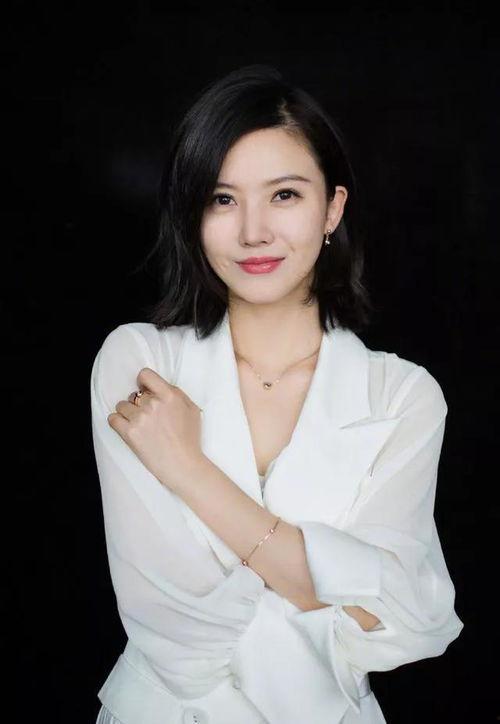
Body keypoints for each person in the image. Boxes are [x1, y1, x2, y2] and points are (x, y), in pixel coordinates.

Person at [90, 64, 464, 724]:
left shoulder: (401, 397)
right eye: (222, 199)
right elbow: (173, 631)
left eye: (284, 195)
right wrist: (323, 582)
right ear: (193, 214)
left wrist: (189, 470)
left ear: (333, 208)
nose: (253, 232)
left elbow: (400, 619)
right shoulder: (141, 364)